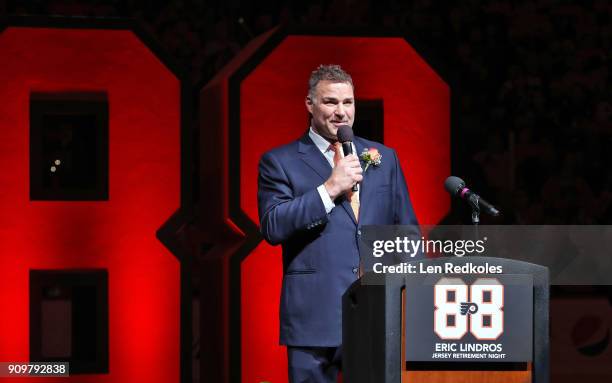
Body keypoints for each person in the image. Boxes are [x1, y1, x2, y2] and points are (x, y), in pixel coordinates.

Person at [257, 64, 418, 382]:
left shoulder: (383, 158)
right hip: (314, 319)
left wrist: (411, 300)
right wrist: (329, 189)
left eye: (348, 102)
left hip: (377, 314)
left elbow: (407, 233)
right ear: (309, 104)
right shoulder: (280, 161)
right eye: (330, 102)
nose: (341, 112)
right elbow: (273, 225)